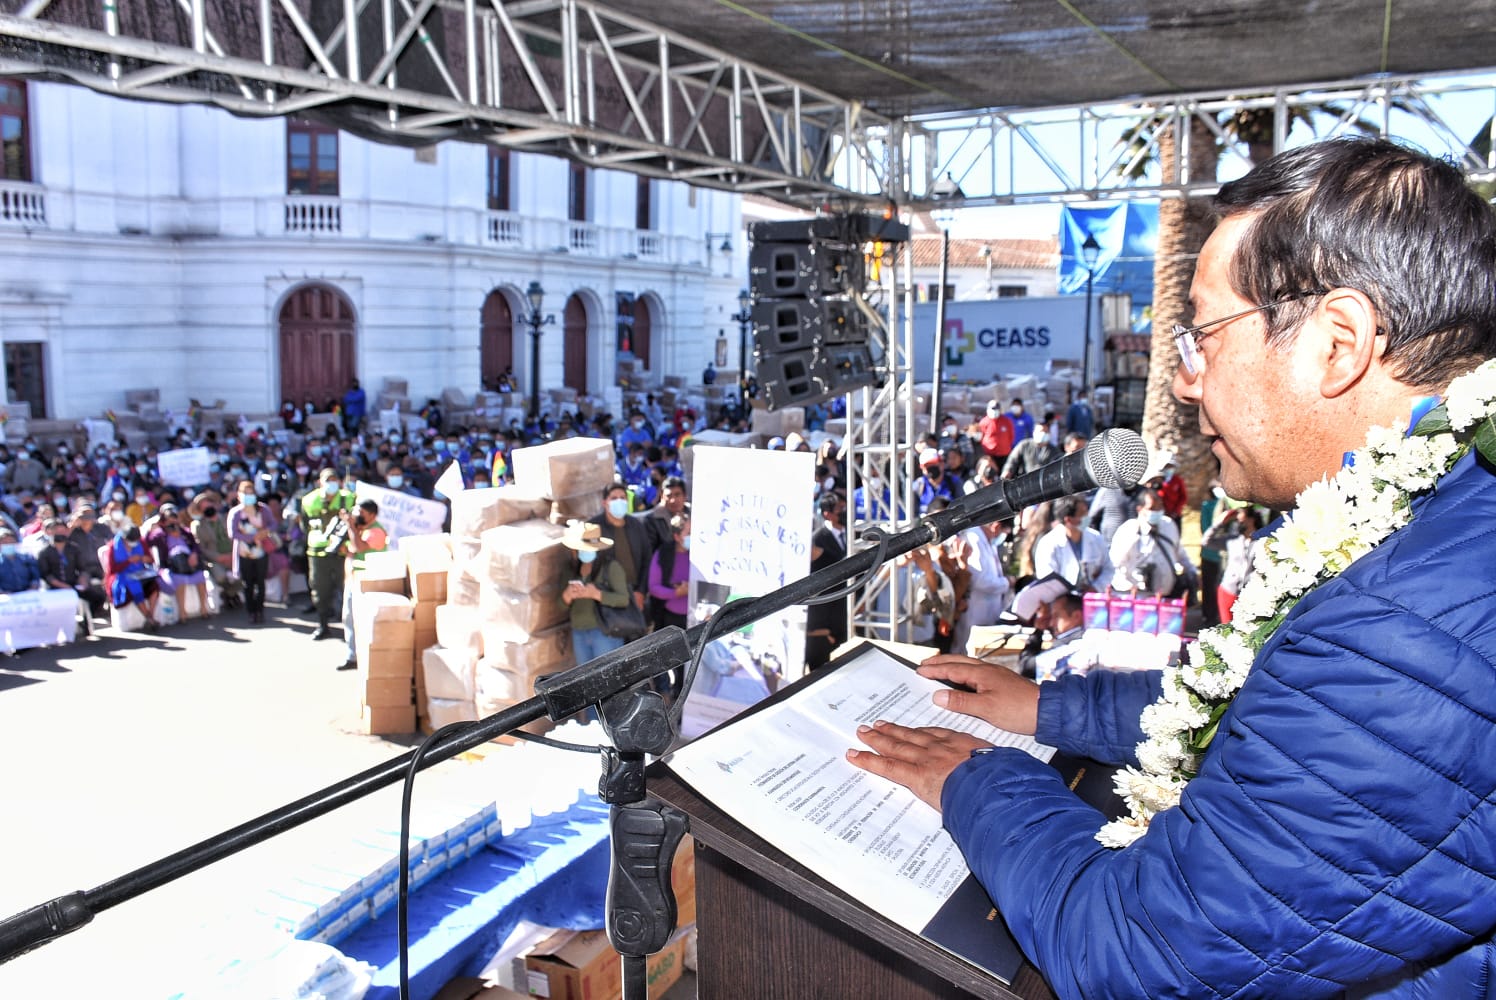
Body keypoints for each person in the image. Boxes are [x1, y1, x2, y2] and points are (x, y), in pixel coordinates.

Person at [846, 138, 1496, 997]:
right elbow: (1283, 724)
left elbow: (1140, 960)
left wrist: (979, 779)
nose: (1187, 384)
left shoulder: (1401, 629)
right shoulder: (1445, 524)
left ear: (1337, 345)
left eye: (1205, 335)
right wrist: (1051, 708)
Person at [559, 519, 630, 665]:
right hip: (578, 632)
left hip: (604, 633)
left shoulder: (611, 567)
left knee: (608, 680)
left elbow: (623, 599)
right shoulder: (571, 569)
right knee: (586, 681)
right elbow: (560, 606)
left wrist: (597, 594)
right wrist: (567, 596)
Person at [1108, 488, 1194, 599]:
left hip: (1166, 595)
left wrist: (1192, 573)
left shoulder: (1168, 525)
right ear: (1140, 509)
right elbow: (1114, 563)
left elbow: (1179, 552)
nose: (1157, 512)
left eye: (1160, 507)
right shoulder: (1129, 530)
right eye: (1152, 508)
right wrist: (1125, 585)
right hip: (1136, 596)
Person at [301, 469, 356, 639]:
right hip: (317, 551)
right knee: (319, 588)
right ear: (320, 482)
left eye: (334, 480)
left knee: (347, 588)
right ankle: (323, 624)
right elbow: (305, 525)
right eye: (327, 480)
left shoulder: (349, 498)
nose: (331, 483)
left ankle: (352, 628)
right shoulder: (309, 500)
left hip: (342, 550)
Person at [338, 498, 388, 671]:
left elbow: (359, 548)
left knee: (362, 619)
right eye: (356, 511)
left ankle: (367, 656)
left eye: (361, 513)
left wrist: (351, 526)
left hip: (368, 582)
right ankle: (352, 656)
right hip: (354, 580)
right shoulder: (362, 529)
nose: (357, 515)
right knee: (349, 618)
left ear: (372, 515)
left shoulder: (376, 532)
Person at [1030, 496, 1111, 591]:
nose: (1087, 517)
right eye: (1082, 514)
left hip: (1091, 599)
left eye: (1086, 511)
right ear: (1068, 520)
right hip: (1062, 600)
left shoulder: (1096, 537)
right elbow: (1047, 580)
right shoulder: (1048, 544)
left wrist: (1096, 587)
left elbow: (1109, 568)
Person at [805, 492, 848, 669]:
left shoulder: (852, 535)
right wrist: (816, 632)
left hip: (836, 628)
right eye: (840, 509)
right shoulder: (819, 538)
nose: (844, 512)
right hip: (815, 634)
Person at [145, 502, 211, 619]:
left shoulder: (184, 532)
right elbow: (147, 541)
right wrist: (153, 526)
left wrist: (194, 554)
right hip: (171, 567)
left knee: (200, 576)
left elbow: (195, 546)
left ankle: (203, 608)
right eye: (169, 521)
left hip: (190, 564)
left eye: (174, 520)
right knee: (180, 580)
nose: (173, 523)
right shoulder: (160, 534)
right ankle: (182, 613)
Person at [228, 481, 279, 625]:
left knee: (260, 583)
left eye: (251, 493)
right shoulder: (236, 512)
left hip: (261, 552)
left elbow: (273, 523)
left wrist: (265, 532)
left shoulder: (263, 509)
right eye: (245, 493)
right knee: (248, 584)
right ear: (239, 495)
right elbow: (233, 533)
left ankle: (260, 610)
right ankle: (251, 611)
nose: (248, 496)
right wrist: (252, 537)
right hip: (244, 553)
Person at [104, 523, 161, 630]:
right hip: (122, 577)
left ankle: (151, 615)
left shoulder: (141, 542)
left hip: (141, 574)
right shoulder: (114, 546)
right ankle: (149, 617)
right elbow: (112, 569)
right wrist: (128, 561)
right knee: (134, 587)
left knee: (154, 585)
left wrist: (143, 558)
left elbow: (151, 559)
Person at [646, 512, 691, 631]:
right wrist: (677, 592)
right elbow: (654, 587)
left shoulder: (703, 553)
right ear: (676, 536)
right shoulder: (663, 554)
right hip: (672, 620)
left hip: (701, 618)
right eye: (689, 533)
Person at [0, 528, 41, 594]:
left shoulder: (27, 558)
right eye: (5, 542)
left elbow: (35, 576)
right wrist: (3, 593)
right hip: (6, 599)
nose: (8, 544)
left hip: (28, 595)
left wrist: (32, 588)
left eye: (11, 542)